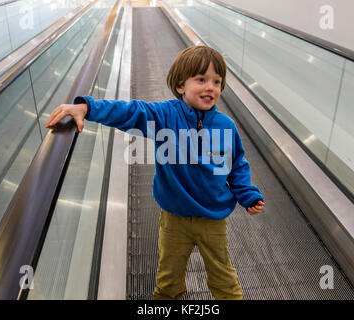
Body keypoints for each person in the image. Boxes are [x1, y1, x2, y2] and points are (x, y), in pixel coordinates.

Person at [46, 45, 265, 300]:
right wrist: (88, 108)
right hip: (174, 220)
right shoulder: (165, 116)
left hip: (213, 219)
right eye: (201, 79)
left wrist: (247, 194)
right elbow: (131, 112)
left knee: (224, 279)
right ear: (181, 85)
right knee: (168, 280)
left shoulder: (226, 125)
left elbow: (237, 163)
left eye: (217, 81)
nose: (211, 87)